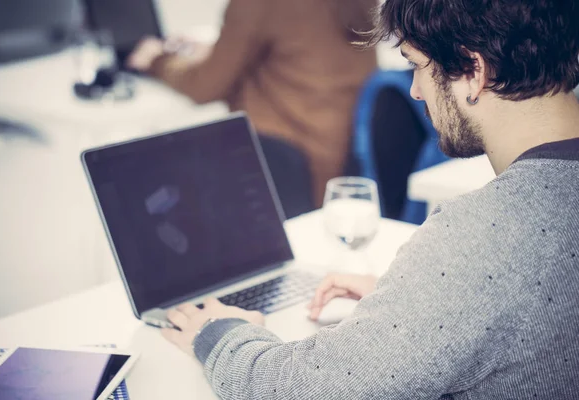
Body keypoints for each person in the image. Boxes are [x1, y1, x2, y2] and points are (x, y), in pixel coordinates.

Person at [158, 0, 579, 398]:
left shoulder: (483, 238)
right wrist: (419, 304)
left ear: (474, 71)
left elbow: (288, 389)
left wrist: (217, 331)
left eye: (416, 66)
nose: (415, 90)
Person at [127, 0, 378, 208]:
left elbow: (204, 86)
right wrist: (217, 52)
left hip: (288, 161)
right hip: (347, 152)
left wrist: (157, 59)